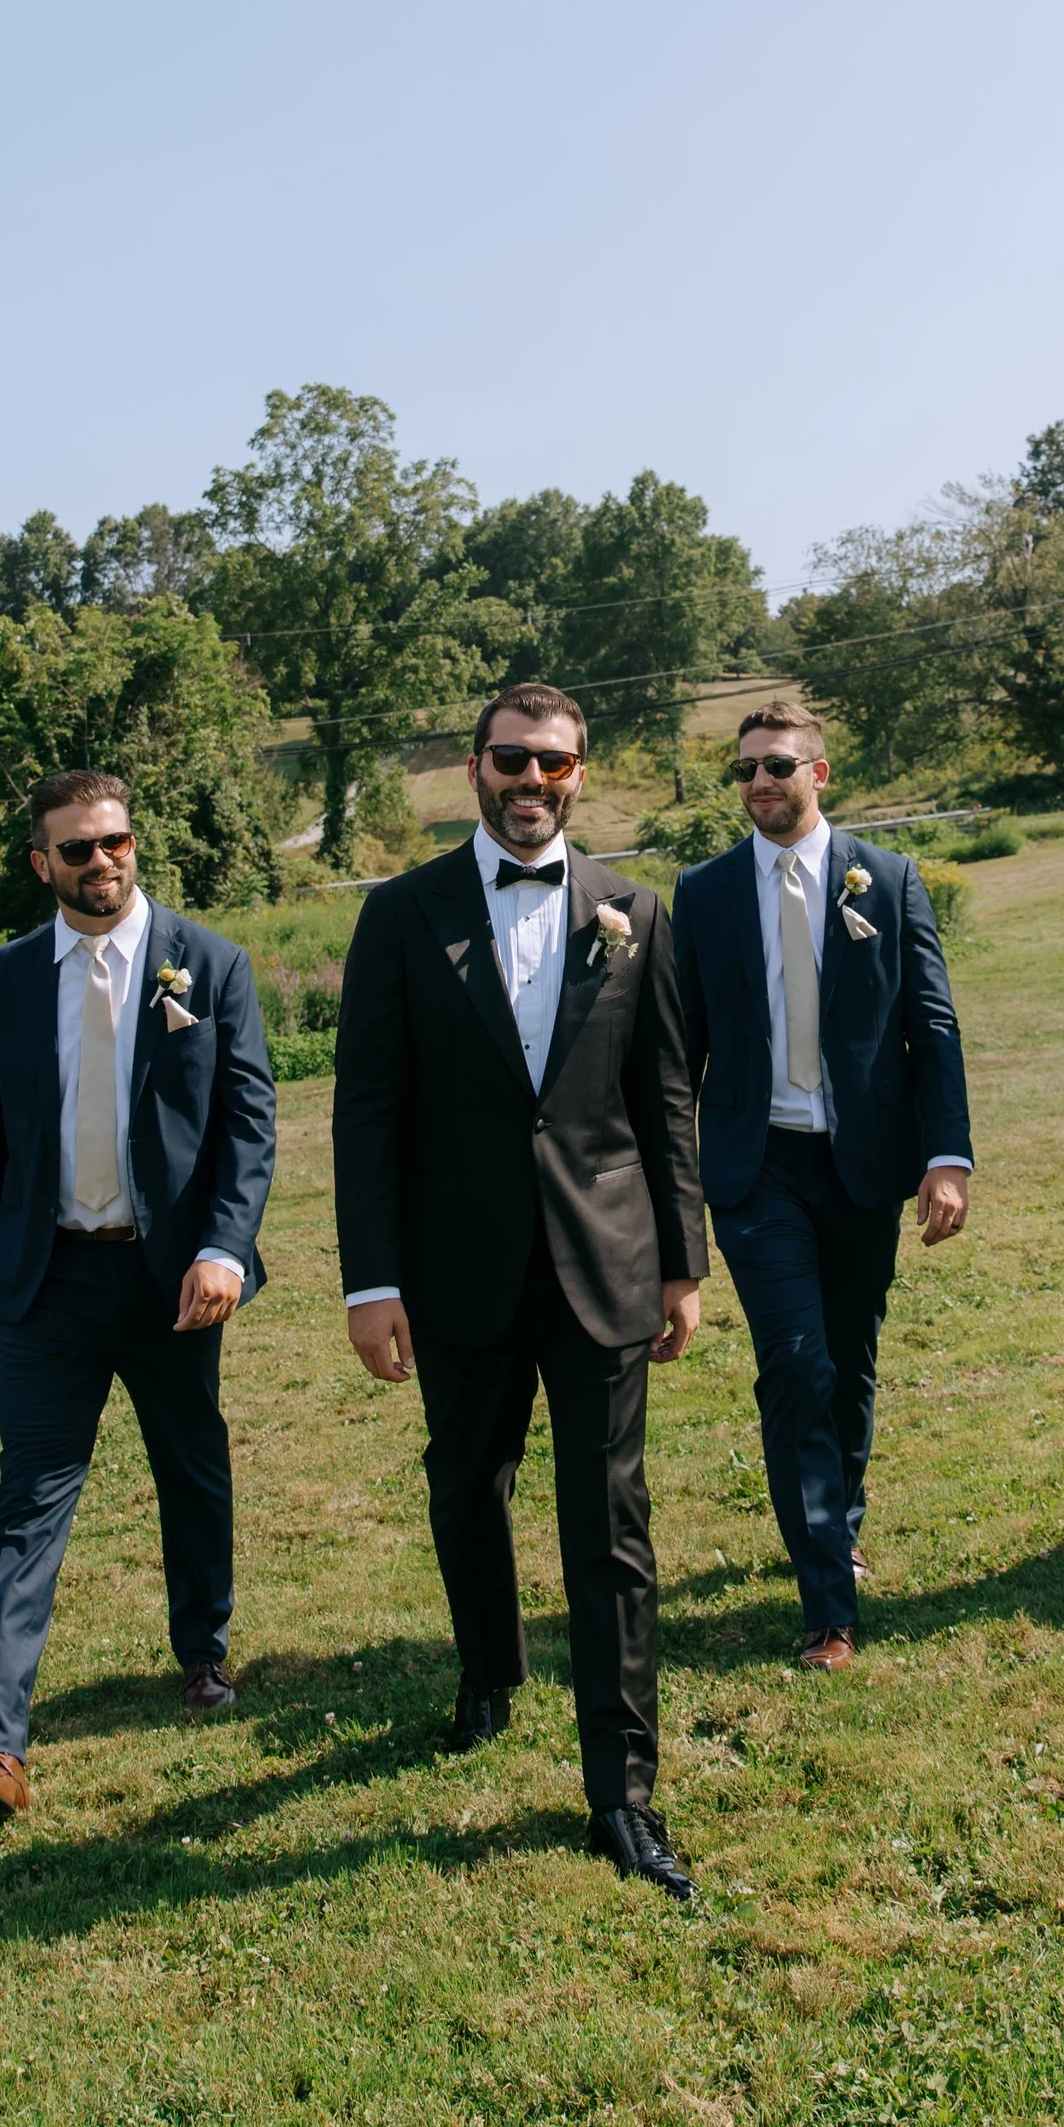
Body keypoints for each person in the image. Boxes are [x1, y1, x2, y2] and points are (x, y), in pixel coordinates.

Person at [333, 683, 710, 1899]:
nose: (530, 780)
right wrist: (371, 1281)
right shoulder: (400, 915)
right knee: (466, 1483)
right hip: (455, 1266)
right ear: (472, 769)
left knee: (610, 1529)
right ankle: (488, 1670)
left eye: (553, 762)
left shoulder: (633, 910)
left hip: (603, 1263)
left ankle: (623, 1792)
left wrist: (683, 1262)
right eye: (510, 759)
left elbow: (664, 1098)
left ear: (580, 773)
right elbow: (368, 1113)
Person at [0, 771, 277, 1830]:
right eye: (77, 849)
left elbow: (248, 1125)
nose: (102, 862)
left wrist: (224, 1248)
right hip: (50, 1279)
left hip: (171, 1276)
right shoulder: (7, 977)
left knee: (190, 1463)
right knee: (27, 1502)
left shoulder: (208, 963)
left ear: (137, 844)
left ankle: (204, 1650)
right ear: (41, 862)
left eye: (116, 841)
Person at [670, 696, 971, 1665]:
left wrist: (947, 1155)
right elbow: (681, 1052)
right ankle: (828, 1605)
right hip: (757, 1172)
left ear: (818, 775)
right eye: (746, 769)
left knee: (850, 1361)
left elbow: (932, 1025)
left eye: (778, 766)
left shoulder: (885, 881)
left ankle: (838, 1514)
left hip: (859, 1165)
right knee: (795, 1367)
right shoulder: (705, 893)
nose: (760, 782)